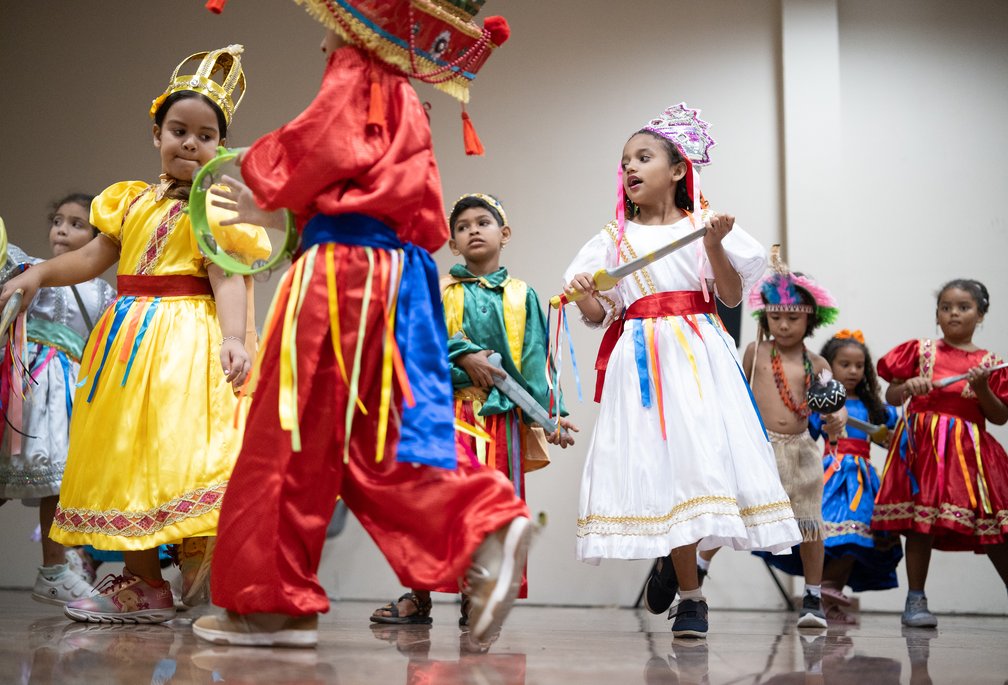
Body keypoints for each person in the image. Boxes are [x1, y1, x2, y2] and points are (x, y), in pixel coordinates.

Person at [192, 4, 532, 651]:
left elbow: (320, 143)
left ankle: (271, 603)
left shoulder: (360, 67)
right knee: (376, 439)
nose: (324, 43)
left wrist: (254, 174)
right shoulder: (403, 90)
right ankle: (479, 525)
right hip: (392, 276)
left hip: (341, 275)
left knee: (288, 431)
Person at [0, 44, 259, 623]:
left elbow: (227, 275)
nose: (190, 143)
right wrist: (39, 273)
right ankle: (145, 583)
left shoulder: (214, 208)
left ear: (222, 147)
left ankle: (201, 561)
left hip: (186, 343)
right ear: (156, 132)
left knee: (181, 450)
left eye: (206, 135)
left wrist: (235, 338)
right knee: (126, 452)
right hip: (126, 343)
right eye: (178, 129)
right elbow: (95, 256)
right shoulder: (130, 201)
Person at [561, 102, 802, 640]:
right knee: (667, 472)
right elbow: (602, 315)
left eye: (642, 157)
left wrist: (714, 246)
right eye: (624, 160)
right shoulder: (612, 239)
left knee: (715, 468)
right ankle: (692, 598)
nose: (629, 168)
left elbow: (733, 294)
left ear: (677, 170)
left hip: (698, 353)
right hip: (642, 362)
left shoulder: (702, 226)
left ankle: (681, 562)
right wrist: (586, 298)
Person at [370, 193, 576, 627]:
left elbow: (537, 359)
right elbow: (414, 344)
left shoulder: (521, 296)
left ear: (504, 234)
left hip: (498, 421)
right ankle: (418, 594)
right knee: (431, 505)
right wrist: (462, 356)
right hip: (444, 414)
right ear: (453, 243)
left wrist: (551, 414)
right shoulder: (439, 290)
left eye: (483, 222)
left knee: (488, 509)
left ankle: (477, 594)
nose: (473, 231)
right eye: (462, 227)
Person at [873, 278, 1008, 627]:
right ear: (937, 315)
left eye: (964, 307)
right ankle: (916, 600)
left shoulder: (989, 364)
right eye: (946, 307)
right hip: (923, 453)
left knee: (991, 523)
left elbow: (1000, 416)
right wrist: (907, 386)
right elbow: (891, 397)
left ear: (981, 314)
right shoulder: (920, 351)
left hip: (969, 455)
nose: (953, 314)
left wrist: (982, 387)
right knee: (920, 522)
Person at [0, 194, 116, 605]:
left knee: (57, 484)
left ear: (99, 239)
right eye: (58, 221)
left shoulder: (103, 293)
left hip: (67, 397)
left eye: (77, 224)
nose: (62, 229)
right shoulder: (32, 270)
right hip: (23, 387)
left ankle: (52, 571)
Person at [755, 330, 903, 623]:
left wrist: (890, 433)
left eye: (859, 366)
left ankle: (829, 591)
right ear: (829, 368)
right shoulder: (823, 402)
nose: (852, 371)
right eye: (844, 365)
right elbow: (807, 433)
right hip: (831, 474)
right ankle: (826, 593)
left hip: (862, 478)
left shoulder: (872, 406)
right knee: (830, 534)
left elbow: (890, 435)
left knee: (859, 533)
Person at [740, 250, 846, 628]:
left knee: (809, 524)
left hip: (801, 449)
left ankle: (813, 596)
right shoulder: (756, 351)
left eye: (792, 318)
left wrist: (836, 419)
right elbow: (738, 395)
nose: (783, 325)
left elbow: (835, 405)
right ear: (764, 316)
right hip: (759, 449)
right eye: (775, 317)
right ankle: (699, 570)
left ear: (811, 319)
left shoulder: (817, 364)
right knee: (730, 511)